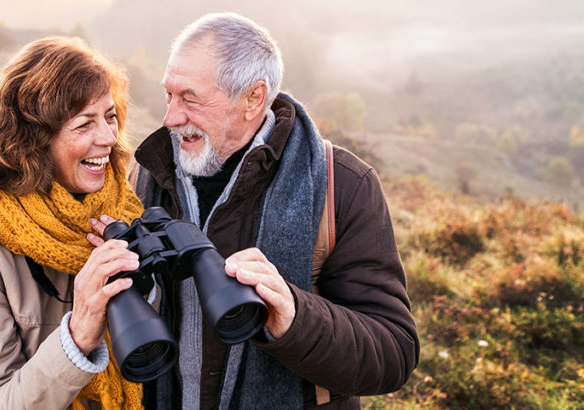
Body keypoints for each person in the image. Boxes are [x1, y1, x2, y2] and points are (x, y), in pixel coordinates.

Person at [92, 13, 419, 409]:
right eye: (169, 95)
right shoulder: (144, 174)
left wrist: (295, 317)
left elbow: (394, 353)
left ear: (253, 99)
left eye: (191, 99)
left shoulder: (342, 184)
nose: (170, 118)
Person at [0, 37, 146, 409]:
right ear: (35, 140)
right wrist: (78, 335)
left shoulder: (125, 206)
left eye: (110, 116)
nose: (108, 137)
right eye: (85, 124)